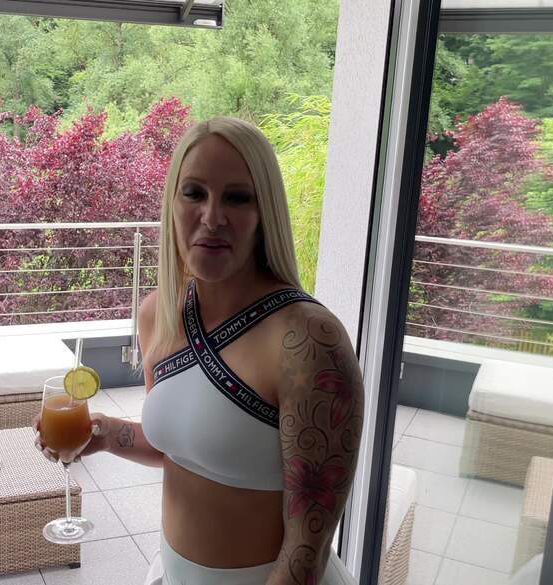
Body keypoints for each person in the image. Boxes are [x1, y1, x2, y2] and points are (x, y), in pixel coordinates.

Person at [35, 117, 363, 585]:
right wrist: (106, 434)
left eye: (237, 197)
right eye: (194, 193)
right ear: (172, 203)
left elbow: (304, 555)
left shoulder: (307, 341)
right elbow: (181, 447)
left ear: (265, 212)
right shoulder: (159, 315)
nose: (211, 217)